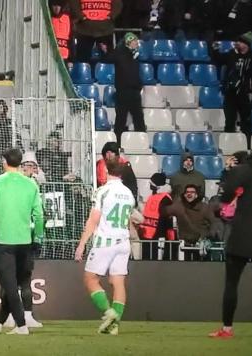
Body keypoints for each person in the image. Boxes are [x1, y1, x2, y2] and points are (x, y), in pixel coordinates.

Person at [0, 148, 44, 335]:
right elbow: (39, 215)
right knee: (15, 283)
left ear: (4, 161)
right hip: (25, 242)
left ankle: (22, 326)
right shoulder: (32, 185)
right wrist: (38, 237)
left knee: (9, 285)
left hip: (2, 241)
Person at [210, 151, 252, 338]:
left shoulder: (241, 171)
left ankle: (227, 329)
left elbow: (226, 197)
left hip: (241, 235)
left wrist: (229, 173)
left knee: (231, 284)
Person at [74, 159, 135, 336]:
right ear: (122, 173)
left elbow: (94, 219)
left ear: (106, 171)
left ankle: (109, 313)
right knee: (118, 282)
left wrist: (82, 244)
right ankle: (114, 326)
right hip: (123, 242)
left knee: (90, 279)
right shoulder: (128, 193)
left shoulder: (102, 191)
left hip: (105, 242)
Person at [211, 32, 252, 149]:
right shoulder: (231, 54)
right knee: (229, 121)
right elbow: (218, 60)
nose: (237, 43)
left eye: (240, 41)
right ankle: (229, 146)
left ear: (246, 44)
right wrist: (215, 50)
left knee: (246, 123)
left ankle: (247, 147)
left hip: (245, 94)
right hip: (231, 93)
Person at [163, 184, 220, 261]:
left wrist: (208, 236)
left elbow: (215, 222)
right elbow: (164, 211)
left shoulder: (204, 207)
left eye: (192, 192)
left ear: (196, 195)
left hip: (202, 246)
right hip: (185, 246)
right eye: (187, 192)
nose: (189, 194)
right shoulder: (179, 206)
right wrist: (163, 198)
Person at [108, 32, 145, 143]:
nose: (137, 43)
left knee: (139, 119)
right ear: (129, 42)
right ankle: (117, 143)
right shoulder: (119, 53)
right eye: (134, 41)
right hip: (123, 91)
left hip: (135, 91)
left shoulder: (136, 55)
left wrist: (139, 85)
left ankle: (142, 141)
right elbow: (110, 57)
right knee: (121, 118)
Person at [139, 172, 176, 260]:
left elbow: (167, 221)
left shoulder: (166, 199)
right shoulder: (152, 197)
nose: (150, 185)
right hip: (147, 235)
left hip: (158, 237)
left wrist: (168, 238)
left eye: (151, 183)